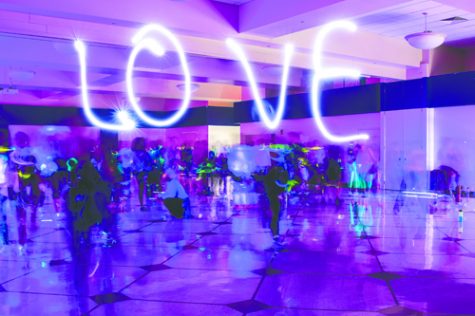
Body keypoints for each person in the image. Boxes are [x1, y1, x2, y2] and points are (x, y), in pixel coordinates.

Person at [254, 150, 289, 242]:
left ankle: (273, 234)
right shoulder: (277, 169)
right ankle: (274, 234)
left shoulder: (275, 169)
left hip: (272, 194)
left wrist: (256, 177)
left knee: (274, 214)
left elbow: (266, 179)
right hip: (272, 195)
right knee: (274, 214)